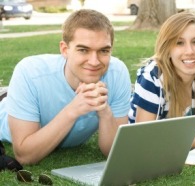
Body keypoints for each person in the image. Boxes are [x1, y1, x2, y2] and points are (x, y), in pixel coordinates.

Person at [0, 9, 131, 165]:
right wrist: (73, 110)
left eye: (104, 51)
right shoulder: (29, 72)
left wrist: (105, 112)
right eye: (83, 50)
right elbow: (25, 156)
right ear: (64, 49)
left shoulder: (117, 72)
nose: (95, 61)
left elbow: (115, 152)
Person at [128, 12, 195, 148]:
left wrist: (180, 141)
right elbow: (143, 140)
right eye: (179, 43)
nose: (189, 51)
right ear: (167, 49)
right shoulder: (153, 76)